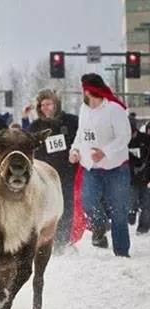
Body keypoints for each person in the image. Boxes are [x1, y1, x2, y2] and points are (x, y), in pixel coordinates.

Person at [69, 73, 131, 257]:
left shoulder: (114, 109)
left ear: (89, 91)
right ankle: (100, 226)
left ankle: (121, 251)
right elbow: (82, 134)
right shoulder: (84, 109)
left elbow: (124, 136)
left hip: (116, 168)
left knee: (118, 210)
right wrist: (74, 150)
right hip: (91, 168)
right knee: (88, 203)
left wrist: (105, 151)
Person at [27, 89, 79, 249]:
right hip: (44, 175)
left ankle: (62, 242)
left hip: (67, 172)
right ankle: (46, 240)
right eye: (42, 105)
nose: (45, 108)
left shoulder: (71, 121)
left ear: (56, 104)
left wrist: (77, 152)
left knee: (66, 206)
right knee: (45, 206)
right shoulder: (35, 126)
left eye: (48, 104)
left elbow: (82, 138)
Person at [127, 116, 150, 234]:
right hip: (129, 179)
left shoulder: (145, 139)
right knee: (132, 203)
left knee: (147, 204)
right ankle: (131, 215)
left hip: (144, 177)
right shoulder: (122, 142)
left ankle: (143, 227)